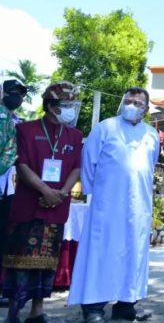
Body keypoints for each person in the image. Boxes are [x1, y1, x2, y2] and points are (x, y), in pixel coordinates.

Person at [68, 88, 159, 323]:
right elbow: (88, 162)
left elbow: (151, 165)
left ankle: (126, 304)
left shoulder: (151, 134)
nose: (132, 105)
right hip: (107, 205)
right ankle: (93, 306)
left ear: (146, 109)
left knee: (133, 253)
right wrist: (94, 195)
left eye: (138, 103)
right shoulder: (105, 128)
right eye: (128, 101)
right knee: (101, 252)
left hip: (138, 207)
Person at [2, 82, 82, 323]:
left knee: (47, 264)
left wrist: (62, 193)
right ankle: (14, 313)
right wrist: (45, 190)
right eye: (65, 104)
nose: (70, 109)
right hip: (29, 203)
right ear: (50, 106)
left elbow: (77, 167)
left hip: (57, 205)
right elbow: (22, 164)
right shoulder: (26, 129)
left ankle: (37, 312)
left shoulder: (75, 135)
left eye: (71, 104)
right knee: (19, 262)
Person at [0, 80, 27, 308]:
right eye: (12, 92)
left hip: (8, 189)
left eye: (20, 94)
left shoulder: (15, 120)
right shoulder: (3, 119)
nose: (16, 97)